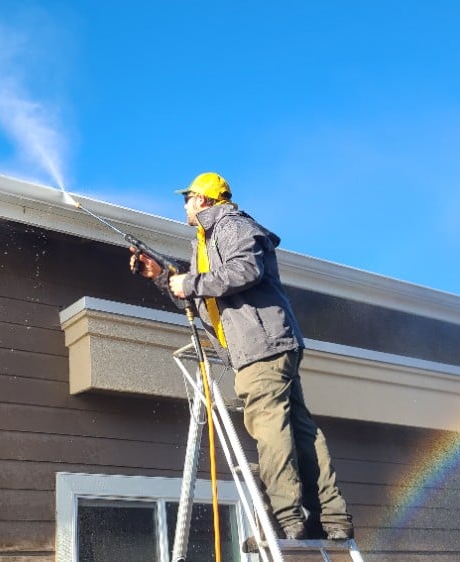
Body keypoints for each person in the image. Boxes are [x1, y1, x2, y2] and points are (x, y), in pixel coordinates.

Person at [130, 172, 354, 543]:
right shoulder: (206, 241)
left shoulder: (231, 225)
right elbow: (201, 297)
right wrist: (160, 276)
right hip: (265, 345)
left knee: (270, 429)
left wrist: (190, 282)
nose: (183, 206)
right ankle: (330, 518)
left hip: (260, 346)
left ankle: (286, 519)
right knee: (300, 431)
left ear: (203, 199)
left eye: (186, 199)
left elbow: (245, 270)